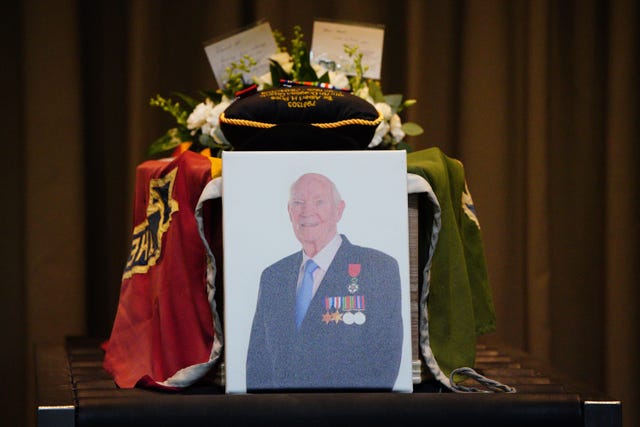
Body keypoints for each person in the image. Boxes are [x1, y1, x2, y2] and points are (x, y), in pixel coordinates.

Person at [246, 173, 403, 391]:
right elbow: (257, 365)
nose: (307, 211)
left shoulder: (378, 268)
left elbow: (385, 360)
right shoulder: (273, 276)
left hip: (349, 413)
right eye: (298, 203)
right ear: (289, 212)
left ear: (339, 210)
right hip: (281, 415)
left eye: (319, 202)